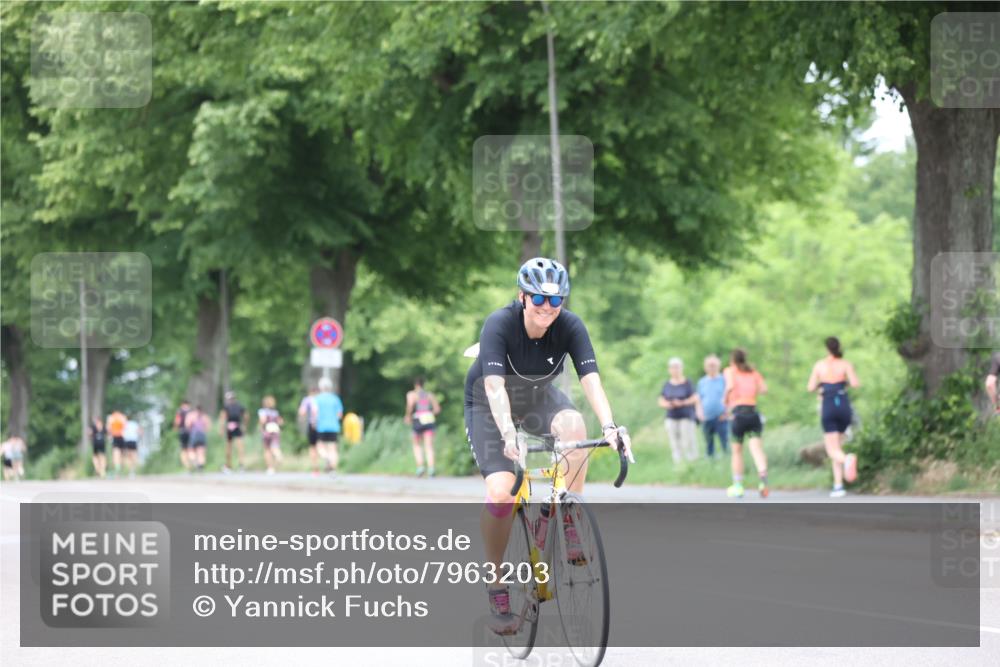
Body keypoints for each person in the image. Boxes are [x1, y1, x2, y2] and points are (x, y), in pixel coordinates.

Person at [464, 257, 633, 634]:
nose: (547, 307)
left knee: (574, 426)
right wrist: (508, 433)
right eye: (539, 298)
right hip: (489, 406)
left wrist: (610, 426)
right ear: (522, 296)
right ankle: (496, 581)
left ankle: (567, 512)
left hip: (538, 398)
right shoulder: (499, 324)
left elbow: (591, 379)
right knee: (502, 492)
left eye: (555, 300)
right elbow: (494, 387)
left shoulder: (570, 326)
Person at [807, 337, 861, 498]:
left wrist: (823, 385)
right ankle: (838, 486)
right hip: (843, 404)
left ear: (827, 349)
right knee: (838, 446)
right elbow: (855, 383)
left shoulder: (820, 365)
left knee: (832, 449)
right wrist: (842, 383)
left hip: (829, 404)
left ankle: (847, 460)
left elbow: (810, 387)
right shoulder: (845, 364)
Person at [723, 348, 769, 498]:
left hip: (738, 414)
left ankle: (738, 486)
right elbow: (764, 389)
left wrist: (725, 401)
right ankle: (763, 480)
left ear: (732, 360)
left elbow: (730, 387)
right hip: (753, 413)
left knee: (737, 451)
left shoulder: (730, 371)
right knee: (756, 449)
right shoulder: (753, 373)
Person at [658, 357, 700, 464]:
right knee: (674, 442)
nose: (675, 370)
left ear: (681, 368)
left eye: (677, 367)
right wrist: (668, 404)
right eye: (673, 367)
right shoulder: (667, 384)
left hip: (686, 417)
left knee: (688, 441)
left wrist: (682, 402)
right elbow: (661, 400)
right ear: (669, 369)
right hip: (672, 417)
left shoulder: (688, 383)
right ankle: (679, 464)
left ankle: (692, 463)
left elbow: (695, 398)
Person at [404, 377, 441, 477]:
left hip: (417, 421)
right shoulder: (430, 395)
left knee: (416, 445)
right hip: (429, 421)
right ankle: (431, 469)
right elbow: (437, 409)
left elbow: (410, 406)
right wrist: (428, 414)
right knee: (429, 446)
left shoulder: (411, 394)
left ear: (415, 384)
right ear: (423, 384)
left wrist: (408, 416)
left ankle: (420, 467)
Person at [696, 354, 729, 458]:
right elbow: (698, 400)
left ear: (718, 366)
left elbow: (730, 398)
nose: (711, 367)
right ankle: (710, 460)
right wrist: (700, 413)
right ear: (705, 367)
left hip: (721, 417)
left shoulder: (724, 380)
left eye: (713, 365)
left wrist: (726, 413)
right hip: (706, 417)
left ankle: (728, 459)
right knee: (709, 443)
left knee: (725, 441)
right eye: (709, 365)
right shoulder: (702, 382)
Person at [314, 377, 344, 474]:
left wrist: (314, 423)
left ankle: (327, 458)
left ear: (320, 387)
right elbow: (339, 415)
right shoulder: (335, 399)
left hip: (321, 426)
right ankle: (332, 469)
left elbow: (315, 413)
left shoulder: (317, 399)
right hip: (333, 426)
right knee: (333, 448)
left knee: (320, 446)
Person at [219, 391, 247, 473]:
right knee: (240, 446)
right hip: (237, 425)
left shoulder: (226, 407)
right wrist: (244, 425)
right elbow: (246, 416)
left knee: (229, 447)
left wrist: (221, 428)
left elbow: (223, 417)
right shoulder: (240, 406)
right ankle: (241, 465)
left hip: (230, 426)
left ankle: (228, 466)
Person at [298, 387, 322, 475]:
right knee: (325, 445)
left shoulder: (307, 399)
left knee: (313, 447)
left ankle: (315, 468)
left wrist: (302, 419)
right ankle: (329, 465)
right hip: (324, 425)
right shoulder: (322, 399)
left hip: (313, 425)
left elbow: (302, 411)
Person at [258, 395, 284, 475]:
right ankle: (278, 455)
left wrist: (260, 427)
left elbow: (263, 420)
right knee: (275, 447)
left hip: (267, 431)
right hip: (275, 430)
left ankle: (270, 468)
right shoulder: (275, 412)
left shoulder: (262, 411)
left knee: (267, 450)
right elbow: (281, 421)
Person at [184, 405, 210, 471]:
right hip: (202, 434)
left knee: (191, 450)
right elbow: (208, 427)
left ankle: (195, 461)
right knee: (201, 451)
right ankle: (201, 465)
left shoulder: (191, 416)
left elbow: (187, 425)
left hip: (194, 434)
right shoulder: (205, 417)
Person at [106, 409, 127, 478]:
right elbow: (125, 427)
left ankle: (117, 470)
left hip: (115, 437)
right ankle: (119, 470)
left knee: (116, 455)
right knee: (120, 455)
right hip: (121, 437)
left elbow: (108, 428)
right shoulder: (122, 417)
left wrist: (109, 435)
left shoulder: (111, 417)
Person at [173, 400, 193, 472]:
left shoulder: (180, 411)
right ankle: (193, 462)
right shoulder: (191, 411)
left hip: (182, 432)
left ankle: (187, 466)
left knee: (183, 450)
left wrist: (175, 428)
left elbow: (177, 421)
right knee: (190, 448)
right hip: (191, 432)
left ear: (182, 404)